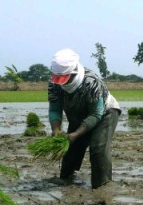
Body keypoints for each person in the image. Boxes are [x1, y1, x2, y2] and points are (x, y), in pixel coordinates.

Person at [48, 48, 121, 189]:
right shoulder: (54, 83)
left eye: (64, 79)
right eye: (58, 79)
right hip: (79, 113)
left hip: (105, 113)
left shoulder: (90, 82)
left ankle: (102, 184)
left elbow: (96, 114)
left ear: (74, 72)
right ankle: (67, 179)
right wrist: (56, 130)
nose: (61, 83)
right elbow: (55, 108)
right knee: (71, 147)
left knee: (98, 147)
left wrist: (76, 133)